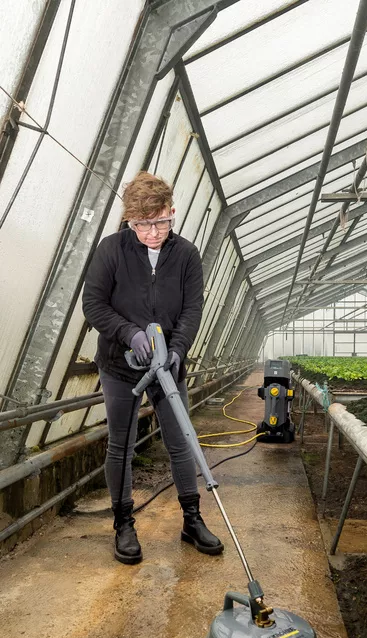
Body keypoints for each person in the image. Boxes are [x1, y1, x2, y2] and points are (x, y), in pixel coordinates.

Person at [82, 171, 223, 565]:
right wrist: (129, 333)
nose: (152, 232)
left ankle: (192, 520)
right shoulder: (112, 250)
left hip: (168, 365)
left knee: (180, 442)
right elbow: (93, 305)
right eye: (142, 225)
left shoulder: (187, 255)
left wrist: (176, 349)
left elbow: (192, 309)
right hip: (120, 364)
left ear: (172, 213)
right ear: (129, 220)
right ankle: (123, 524)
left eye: (160, 222)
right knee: (121, 444)